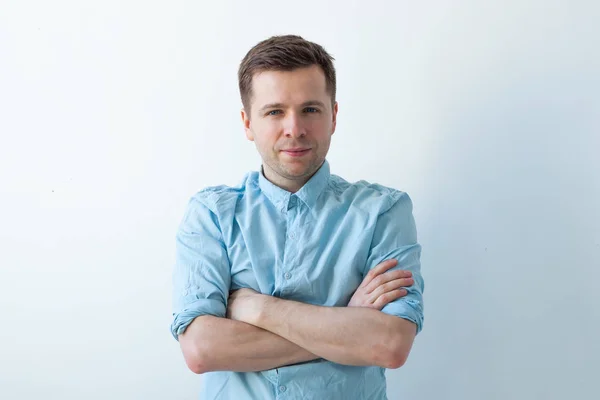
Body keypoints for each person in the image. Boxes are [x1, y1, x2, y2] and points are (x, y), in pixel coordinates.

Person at [170, 34, 424, 400]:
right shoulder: (211, 216)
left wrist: (257, 308)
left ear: (333, 116)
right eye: (275, 111)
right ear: (247, 123)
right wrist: (345, 326)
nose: (295, 128)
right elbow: (202, 350)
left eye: (310, 109)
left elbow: (388, 344)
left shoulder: (383, 211)